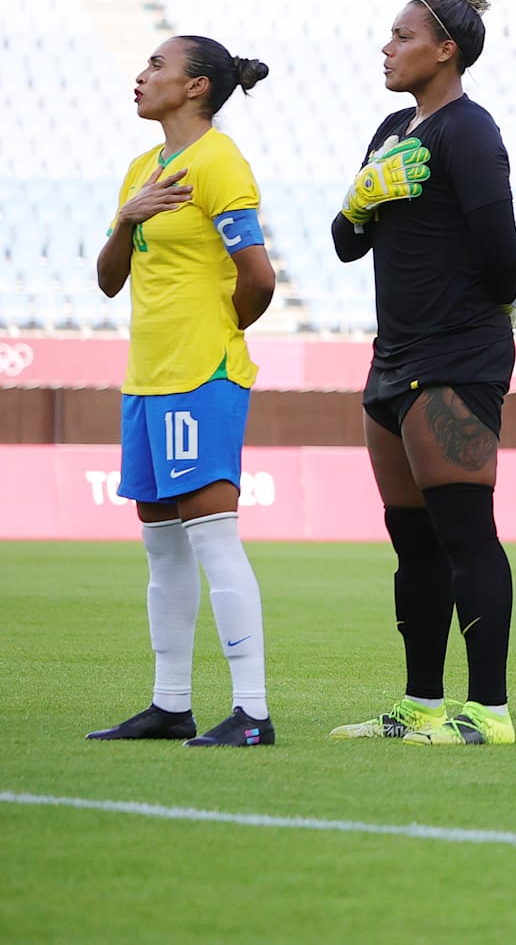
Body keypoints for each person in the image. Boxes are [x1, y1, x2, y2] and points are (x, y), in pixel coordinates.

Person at [327, 0, 516, 746]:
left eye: (403, 35)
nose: (387, 46)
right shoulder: (392, 129)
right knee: (412, 540)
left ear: (446, 50)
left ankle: (489, 713)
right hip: (392, 358)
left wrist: (468, 316)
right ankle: (419, 707)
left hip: (455, 358)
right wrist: (363, 198)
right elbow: (347, 244)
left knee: (466, 531)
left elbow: (503, 260)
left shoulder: (469, 132)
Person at [87, 38, 278, 748]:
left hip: (199, 376)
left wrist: (216, 337)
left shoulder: (218, 161)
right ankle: (171, 705)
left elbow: (257, 276)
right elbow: (110, 280)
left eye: (157, 66)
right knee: (160, 546)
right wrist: (129, 216)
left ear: (197, 87)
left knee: (212, 536)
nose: (141, 75)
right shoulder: (144, 169)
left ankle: (252, 712)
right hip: (145, 378)